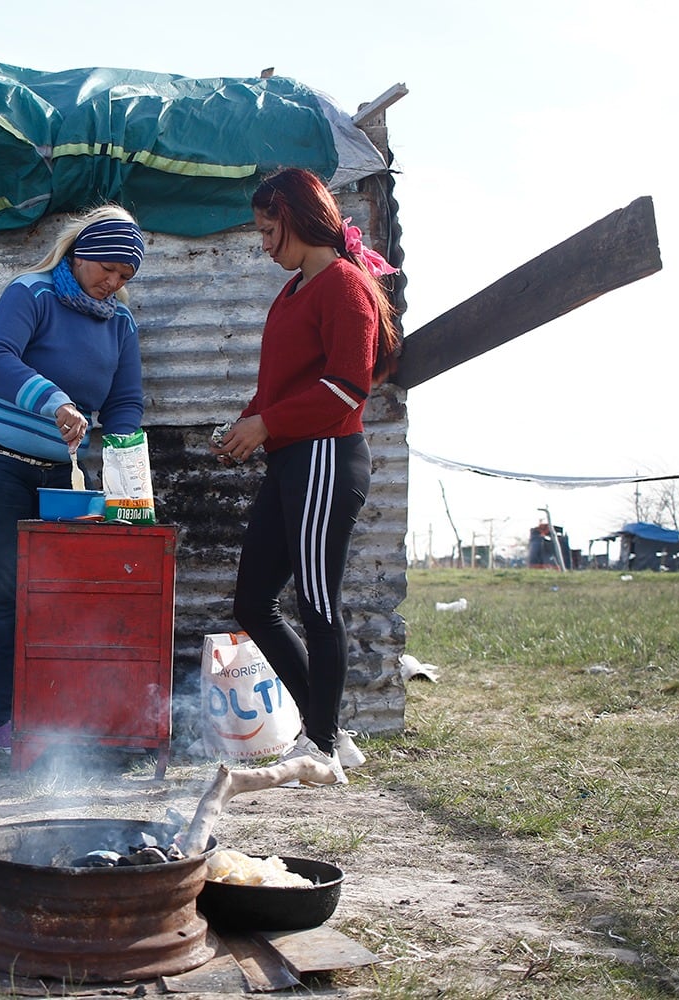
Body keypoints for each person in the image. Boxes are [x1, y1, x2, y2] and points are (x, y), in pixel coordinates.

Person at [211, 167, 399, 786]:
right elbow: (276, 390)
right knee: (253, 601)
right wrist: (245, 426)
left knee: (318, 601)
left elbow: (346, 389)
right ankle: (332, 733)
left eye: (269, 229)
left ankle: (320, 744)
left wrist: (266, 425)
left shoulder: (346, 286)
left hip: (326, 455)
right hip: (290, 459)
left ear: (297, 217)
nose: (264, 243)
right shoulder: (293, 292)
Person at [0, 205, 147, 752]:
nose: (113, 283)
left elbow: (125, 403)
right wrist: (55, 400)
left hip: (60, 475)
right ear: (80, 252)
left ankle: (58, 725)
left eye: (125, 277)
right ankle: (12, 724)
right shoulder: (31, 293)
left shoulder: (120, 324)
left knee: (58, 596)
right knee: (2, 591)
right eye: (107, 268)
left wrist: (126, 467)